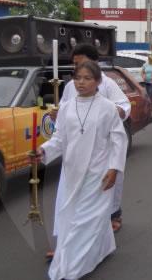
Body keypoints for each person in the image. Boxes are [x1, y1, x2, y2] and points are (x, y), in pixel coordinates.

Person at [37, 60, 128, 280]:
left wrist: (114, 168)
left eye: (87, 78)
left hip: (98, 172)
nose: (81, 83)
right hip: (72, 172)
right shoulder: (67, 107)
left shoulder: (107, 107)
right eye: (77, 78)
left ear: (98, 81)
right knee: (77, 217)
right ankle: (103, 247)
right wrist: (43, 150)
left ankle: (72, 267)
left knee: (85, 220)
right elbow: (59, 139)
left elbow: (118, 139)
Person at [53, 44, 131, 240]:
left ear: (94, 62)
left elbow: (123, 105)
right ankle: (70, 239)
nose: (81, 78)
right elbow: (65, 109)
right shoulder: (71, 86)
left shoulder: (106, 83)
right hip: (78, 148)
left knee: (105, 187)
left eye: (82, 64)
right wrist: (58, 114)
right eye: (75, 66)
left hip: (102, 146)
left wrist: (116, 112)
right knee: (76, 195)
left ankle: (113, 215)